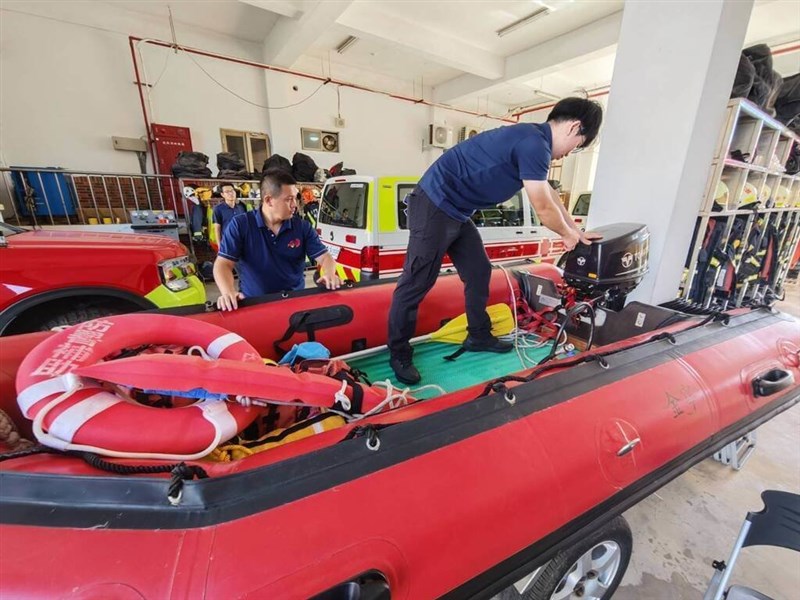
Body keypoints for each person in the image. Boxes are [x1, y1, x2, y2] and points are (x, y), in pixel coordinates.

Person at [387, 97, 604, 384]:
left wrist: (576, 231)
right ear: (574, 127)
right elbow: (542, 207)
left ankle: (478, 335)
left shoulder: (533, 140)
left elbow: (549, 193)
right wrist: (565, 236)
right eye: (577, 145)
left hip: (457, 212)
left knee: (479, 271)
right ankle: (398, 353)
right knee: (416, 282)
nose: (568, 153)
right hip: (434, 205)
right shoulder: (534, 144)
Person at [214, 169, 341, 311]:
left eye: (295, 198)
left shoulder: (302, 227)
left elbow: (325, 257)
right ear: (268, 200)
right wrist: (228, 292)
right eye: (288, 199)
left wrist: (330, 274)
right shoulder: (240, 225)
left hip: (295, 305)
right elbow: (223, 264)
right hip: (254, 306)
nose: (295, 205)